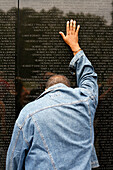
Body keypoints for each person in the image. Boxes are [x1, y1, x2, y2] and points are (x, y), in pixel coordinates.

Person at [6, 19, 99, 170]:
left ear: (46, 90)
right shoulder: (85, 101)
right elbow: (89, 77)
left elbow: (14, 158)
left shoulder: (28, 112)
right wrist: (75, 47)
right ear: (69, 88)